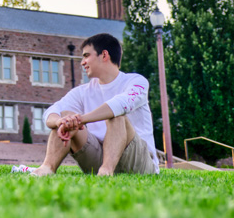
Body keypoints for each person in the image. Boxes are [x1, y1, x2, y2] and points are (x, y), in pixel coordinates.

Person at [31, 33, 159, 176]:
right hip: (98, 158)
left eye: (86, 56)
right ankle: (47, 168)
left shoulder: (136, 82)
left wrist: (81, 119)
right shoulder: (82, 91)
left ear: (104, 55)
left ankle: (106, 172)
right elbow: (52, 111)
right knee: (66, 116)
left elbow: (120, 105)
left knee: (117, 116)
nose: (82, 62)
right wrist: (61, 121)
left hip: (137, 161)